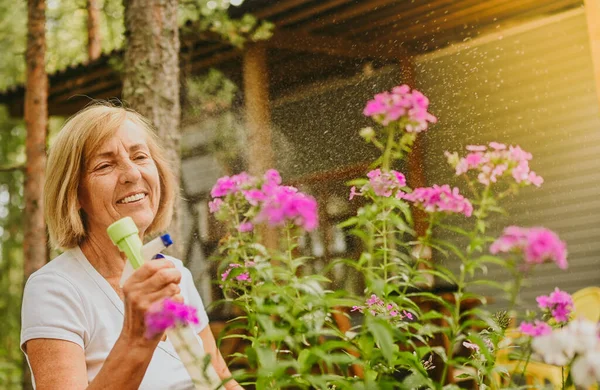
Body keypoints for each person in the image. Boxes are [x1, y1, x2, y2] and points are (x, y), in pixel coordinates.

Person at [21, 103, 243, 389]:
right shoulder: (55, 288)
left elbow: (221, 380)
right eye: (105, 165)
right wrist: (137, 336)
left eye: (139, 156)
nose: (132, 174)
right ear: (74, 194)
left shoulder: (175, 273)